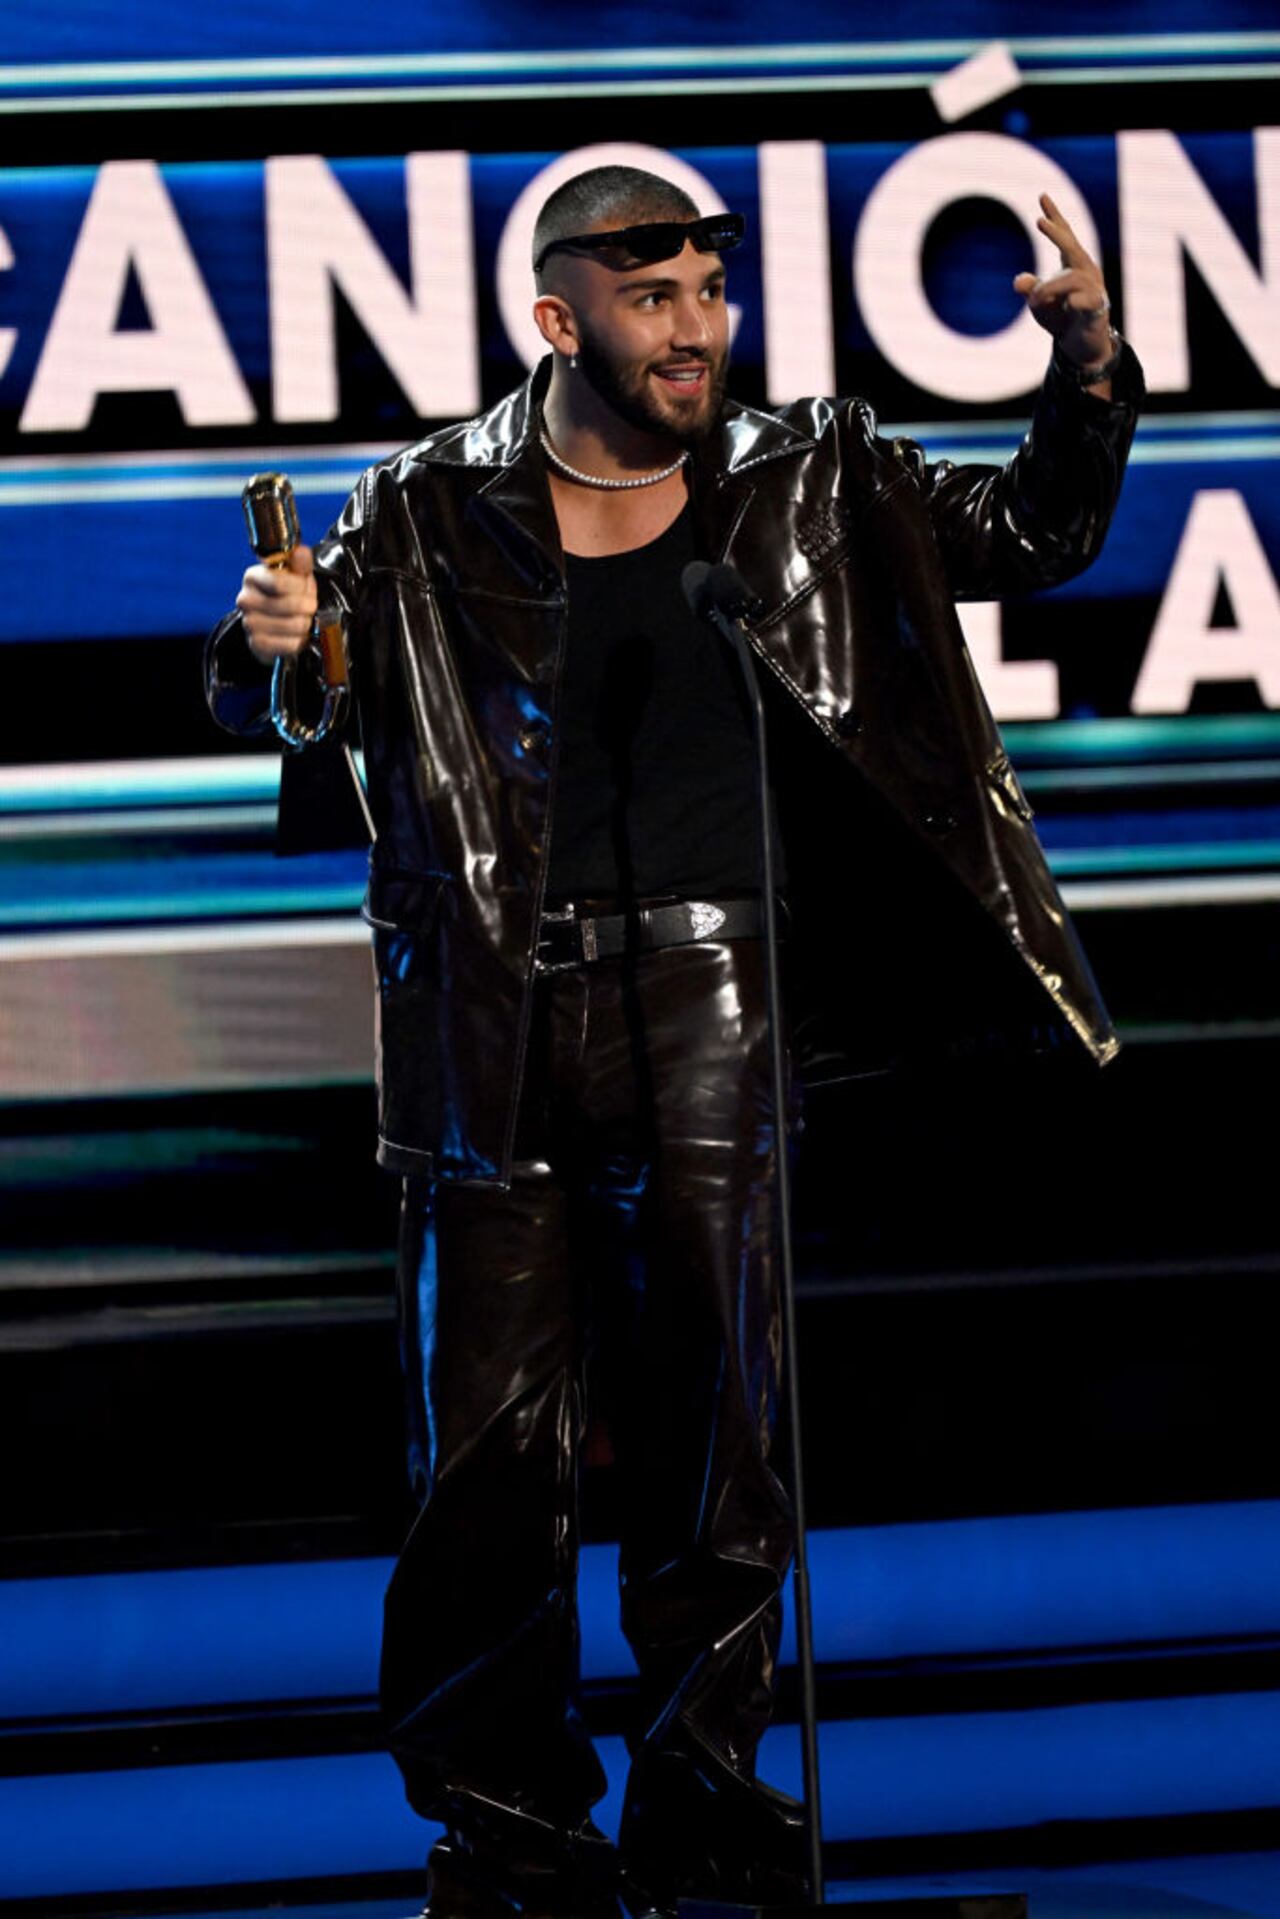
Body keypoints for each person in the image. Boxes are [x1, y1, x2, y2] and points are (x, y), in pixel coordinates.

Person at [206, 164, 1142, 1919]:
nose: (698, 328)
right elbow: (308, 700)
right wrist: (281, 654)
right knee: (484, 1446)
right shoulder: (424, 505)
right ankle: (508, 1827)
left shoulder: (814, 476)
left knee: (721, 1425)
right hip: (486, 1015)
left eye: (711, 293)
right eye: (656, 301)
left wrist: (1085, 362)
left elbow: (1036, 540)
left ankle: (707, 1792)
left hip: (713, 999)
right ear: (560, 319)